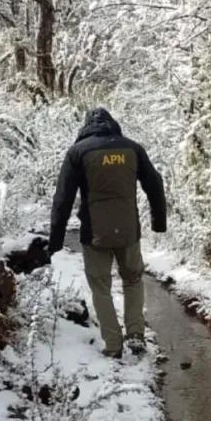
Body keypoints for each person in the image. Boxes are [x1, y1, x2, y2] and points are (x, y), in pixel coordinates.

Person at [48, 108, 167, 358]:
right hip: (129, 230)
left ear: (85, 127)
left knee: (101, 286)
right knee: (133, 279)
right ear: (113, 124)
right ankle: (136, 334)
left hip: (95, 232)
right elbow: (155, 184)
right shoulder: (132, 148)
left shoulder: (77, 152)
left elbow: (63, 198)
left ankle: (113, 344)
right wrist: (159, 222)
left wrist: (55, 240)